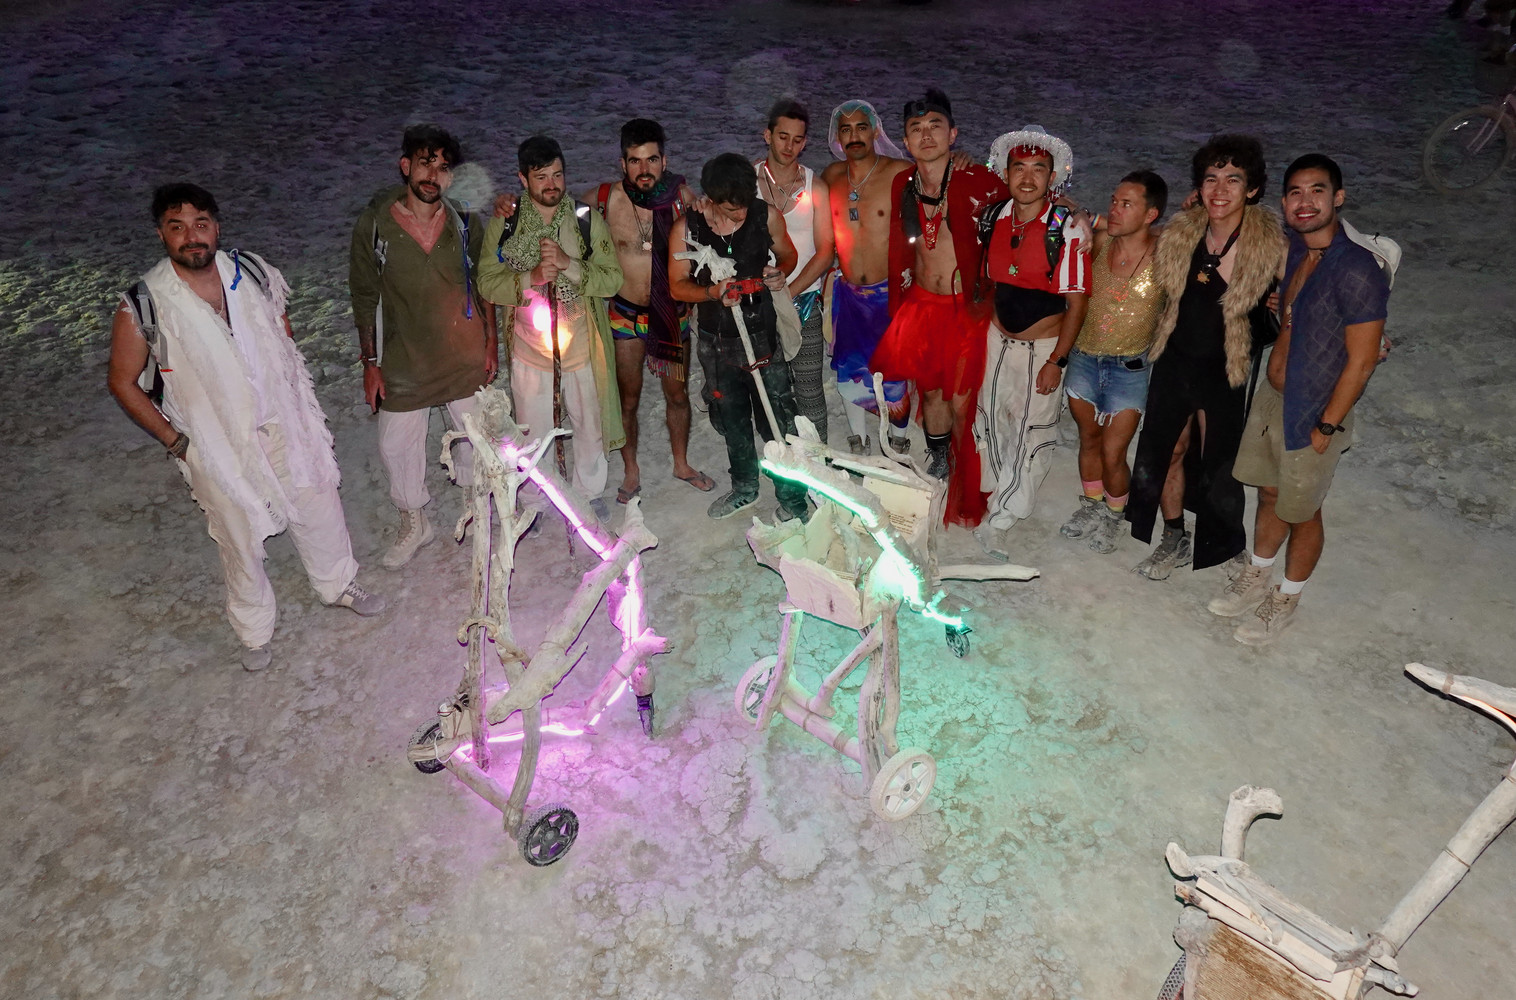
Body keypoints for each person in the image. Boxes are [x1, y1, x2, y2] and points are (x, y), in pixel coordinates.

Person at [107, 184, 385, 672]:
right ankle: (254, 630)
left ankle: (338, 583)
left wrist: (294, 400)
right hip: (214, 443)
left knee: (317, 500)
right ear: (161, 234)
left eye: (200, 224)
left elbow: (282, 332)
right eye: (177, 227)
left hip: (283, 422)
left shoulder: (252, 272)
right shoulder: (145, 303)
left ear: (216, 227)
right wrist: (177, 441)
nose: (191, 237)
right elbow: (122, 381)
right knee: (238, 536)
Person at [1213, 154, 1388, 644]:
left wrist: (1328, 424)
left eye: (1317, 190)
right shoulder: (1295, 251)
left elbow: (1363, 360)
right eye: (1295, 192)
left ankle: (1287, 597)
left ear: (1338, 197)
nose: (1304, 202)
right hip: (1274, 397)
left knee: (1304, 510)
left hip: (1316, 408)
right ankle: (1258, 572)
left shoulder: (1357, 269)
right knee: (1270, 493)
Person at [1127, 134, 1286, 580]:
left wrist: (1367, 333)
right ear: (1198, 187)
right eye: (1211, 178)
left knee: (1220, 463)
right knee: (1168, 450)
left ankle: (1224, 541)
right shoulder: (1181, 233)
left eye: (1233, 180)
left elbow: (1319, 282)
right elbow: (1127, 234)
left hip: (1226, 370)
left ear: (1252, 189)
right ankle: (1174, 534)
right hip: (1175, 360)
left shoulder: (1270, 247)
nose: (1220, 189)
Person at [349, 124, 496, 570]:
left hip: (462, 353)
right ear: (405, 166)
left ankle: (475, 507)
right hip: (404, 357)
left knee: (474, 437)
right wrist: (370, 363)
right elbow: (364, 295)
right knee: (396, 445)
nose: (433, 175)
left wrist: (491, 346)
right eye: (425, 163)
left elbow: (484, 285)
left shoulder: (464, 222)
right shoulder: (375, 225)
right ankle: (414, 521)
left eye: (444, 167)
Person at [871, 89, 1010, 528]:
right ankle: (937, 458)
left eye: (935, 126)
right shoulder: (903, 183)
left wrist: (1076, 215)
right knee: (930, 391)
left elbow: (1028, 201)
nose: (926, 135)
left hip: (964, 309)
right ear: (905, 141)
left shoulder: (978, 180)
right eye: (916, 129)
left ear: (953, 134)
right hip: (921, 305)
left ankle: (969, 476)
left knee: (962, 399)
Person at [477, 136, 624, 516]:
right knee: (532, 433)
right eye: (541, 177)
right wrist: (532, 277)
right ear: (522, 179)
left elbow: (612, 280)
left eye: (557, 175)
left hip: (581, 349)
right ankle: (534, 502)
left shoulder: (585, 219)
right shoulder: (506, 222)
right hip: (529, 353)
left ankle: (588, 494)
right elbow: (487, 283)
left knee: (590, 427)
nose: (551, 185)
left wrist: (567, 265)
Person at [669, 153, 808, 522]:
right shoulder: (688, 227)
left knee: (778, 418)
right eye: (732, 209)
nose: (741, 214)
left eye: (745, 204)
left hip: (762, 334)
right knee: (731, 418)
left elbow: (788, 256)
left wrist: (780, 273)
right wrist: (711, 293)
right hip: (715, 341)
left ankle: (793, 499)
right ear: (712, 199)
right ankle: (745, 488)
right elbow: (677, 286)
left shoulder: (765, 216)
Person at [971, 126, 1089, 554]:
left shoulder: (1066, 229)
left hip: (1041, 349)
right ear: (1005, 173)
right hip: (996, 340)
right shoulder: (993, 217)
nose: (1027, 177)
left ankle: (1007, 512)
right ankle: (997, 492)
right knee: (992, 419)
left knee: (1032, 432)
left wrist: (1057, 360)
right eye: (1019, 167)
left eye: (1038, 169)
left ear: (1052, 177)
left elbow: (1076, 303)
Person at [584, 118, 714, 505]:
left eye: (652, 160)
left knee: (677, 395)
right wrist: (509, 207)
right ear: (622, 164)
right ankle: (631, 470)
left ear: (664, 161)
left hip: (671, 314)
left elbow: (716, 231)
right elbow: (553, 217)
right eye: (635, 161)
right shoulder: (602, 200)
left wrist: (707, 209)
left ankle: (682, 464)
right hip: (625, 315)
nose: (644, 169)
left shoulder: (681, 198)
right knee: (628, 400)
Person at [1058, 170, 1168, 555]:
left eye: (1127, 204)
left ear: (1151, 214)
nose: (1116, 210)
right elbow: (1062, 206)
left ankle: (1114, 514)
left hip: (1130, 370)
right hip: (1084, 360)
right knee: (1088, 440)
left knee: (1113, 451)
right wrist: (1084, 214)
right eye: (1114, 202)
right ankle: (1092, 505)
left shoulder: (1165, 254)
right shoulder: (1101, 241)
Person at [818, 99, 914, 455]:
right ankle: (858, 440)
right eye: (846, 129)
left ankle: (899, 441)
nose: (854, 135)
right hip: (848, 294)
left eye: (861, 127)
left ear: (875, 131)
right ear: (837, 136)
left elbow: (939, 190)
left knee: (895, 371)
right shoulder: (831, 176)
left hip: (890, 294)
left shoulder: (900, 172)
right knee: (850, 369)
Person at [756, 98, 834, 445]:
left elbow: (826, 251)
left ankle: (820, 464)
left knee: (809, 391)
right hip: (758, 304)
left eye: (797, 139)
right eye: (782, 136)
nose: (789, 146)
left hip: (804, 300)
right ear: (768, 135)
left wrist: (790, 291)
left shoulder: (816, 187)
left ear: (805, 142)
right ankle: (786, 463)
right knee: (772, 391)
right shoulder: (746, 182)